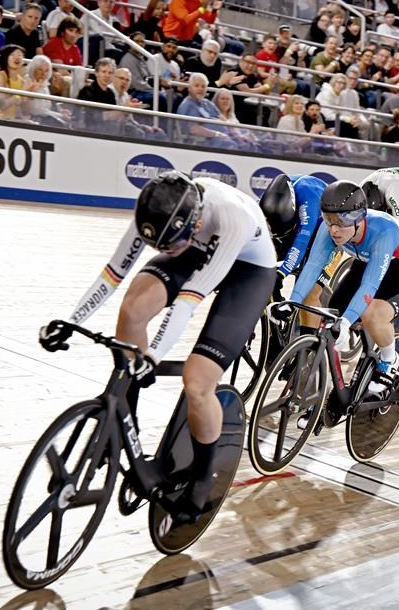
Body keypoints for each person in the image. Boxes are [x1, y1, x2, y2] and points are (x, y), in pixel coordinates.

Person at [39, 172, 276, 515]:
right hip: (195, 249)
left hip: (248, 271)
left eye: (170, 246)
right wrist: (72, 321)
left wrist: (154, 355)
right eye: (161, 247)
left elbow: (189, 299)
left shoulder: (231, 217)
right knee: (134, 309)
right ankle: (123, 421)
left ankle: (201, 479)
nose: (165, 252)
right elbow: (112, 275)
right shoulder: (157, 214)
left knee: (197, 383)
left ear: (194, 223)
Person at [288, 181, 399, 401]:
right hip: (365, 265)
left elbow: (369, 286)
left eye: (341, 222)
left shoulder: (384, 230)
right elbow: (313, 267)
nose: (334, 229)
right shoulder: (331, 230)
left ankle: (389, 361)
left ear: (359, 218)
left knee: (371, 314)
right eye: (328, 220)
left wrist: (347, 320)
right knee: (333, 314)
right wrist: (291, 302)